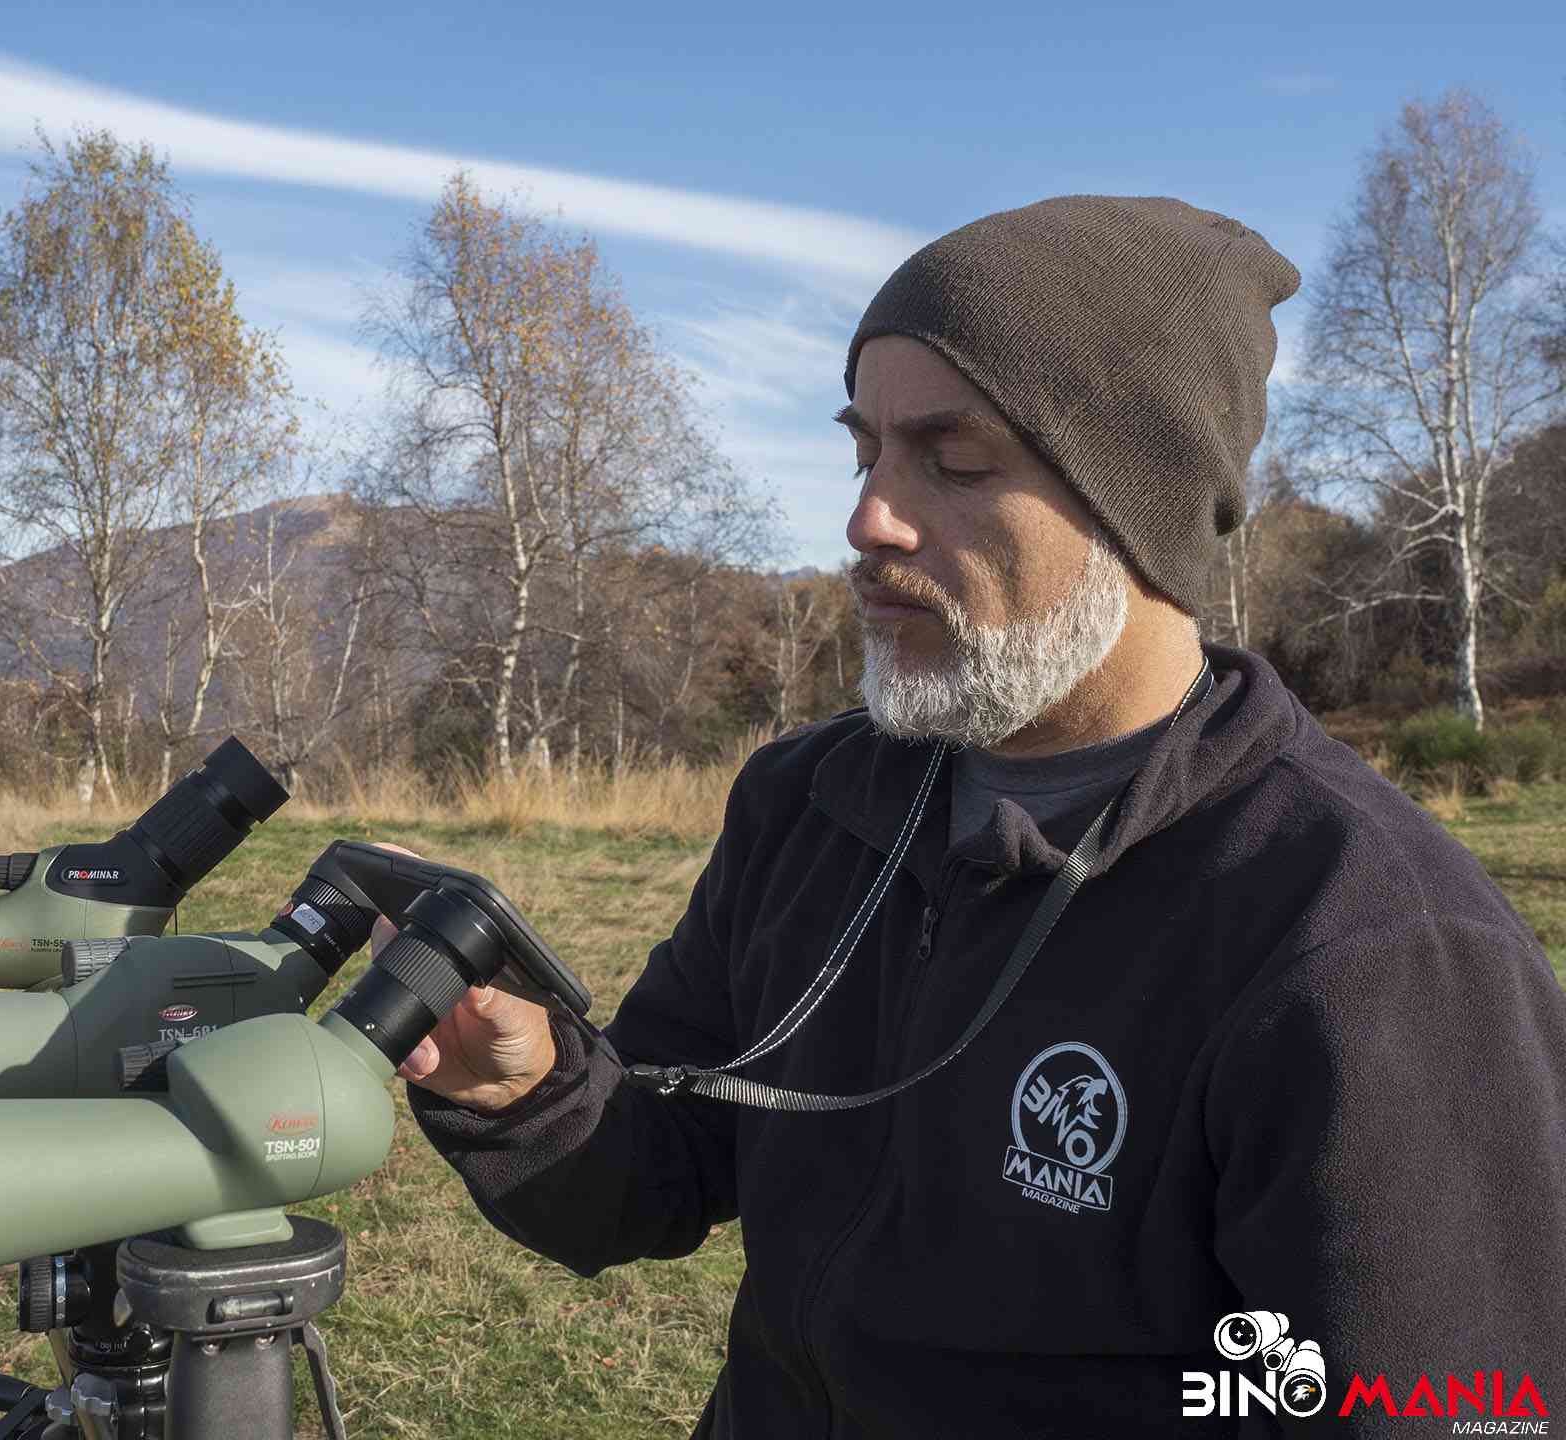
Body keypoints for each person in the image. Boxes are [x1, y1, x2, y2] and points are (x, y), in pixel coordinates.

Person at [381, 196, 1566, 1438]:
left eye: (953, 462)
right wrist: (526, 1093)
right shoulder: (811, 805)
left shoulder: (1371, 950)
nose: (869, 520)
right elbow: (660, 1175)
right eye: (866, 453)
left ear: (1139, 506)